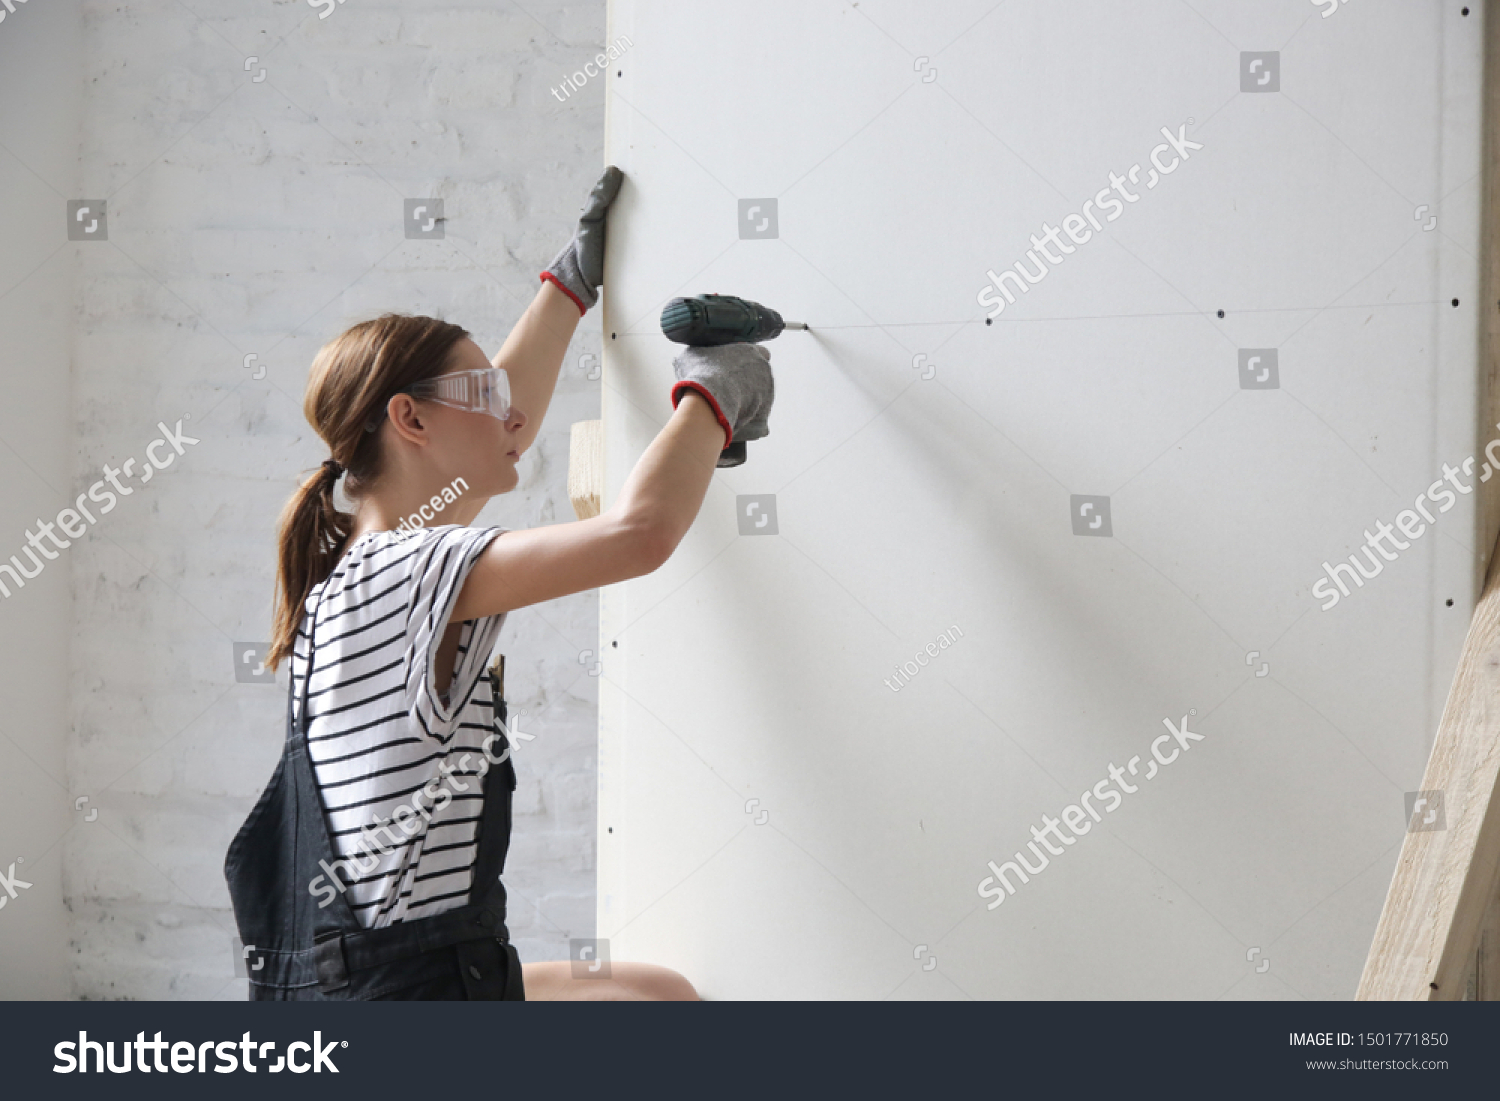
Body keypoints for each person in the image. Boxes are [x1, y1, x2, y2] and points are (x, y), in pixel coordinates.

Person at [222, 165, 774, 1000]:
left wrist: (570, 285)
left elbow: (497, 431)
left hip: (376, 982)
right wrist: (714, 392)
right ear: (409, 421)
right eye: (483, 395)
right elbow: (639, 535)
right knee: (656, 1006)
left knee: (655, 994)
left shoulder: (356, 573)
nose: (511, 414)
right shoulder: (411, 570)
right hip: (409, 994)